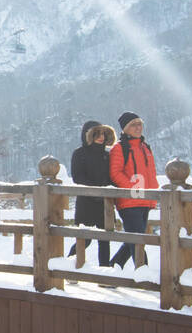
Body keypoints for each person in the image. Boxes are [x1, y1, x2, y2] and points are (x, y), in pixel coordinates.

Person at [108, 111, 159, 269]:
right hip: (129, 201)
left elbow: (150, 173)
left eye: (140, 124)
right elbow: (115, 173)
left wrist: (153, 192)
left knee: (134, 238)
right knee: (137, 240)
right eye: (133, 125)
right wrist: (132, 188)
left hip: (146, 199)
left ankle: (112, 268)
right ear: (125, 129)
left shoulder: (145, 147)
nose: (138, 127)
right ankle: (145, 275)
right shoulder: (119, 148)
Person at [67, 120, 116, 266]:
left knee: (105, 239)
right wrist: (97, 189)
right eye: (96, 134)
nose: (101, 137)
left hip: (104, 203)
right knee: (84, 239)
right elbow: (78, 177)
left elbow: (112, 177)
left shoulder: (107, 155)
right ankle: (70, 267)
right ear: (88, 135)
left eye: (103, 133)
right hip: (86, 202)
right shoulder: (79, 153)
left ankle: (105, 273)